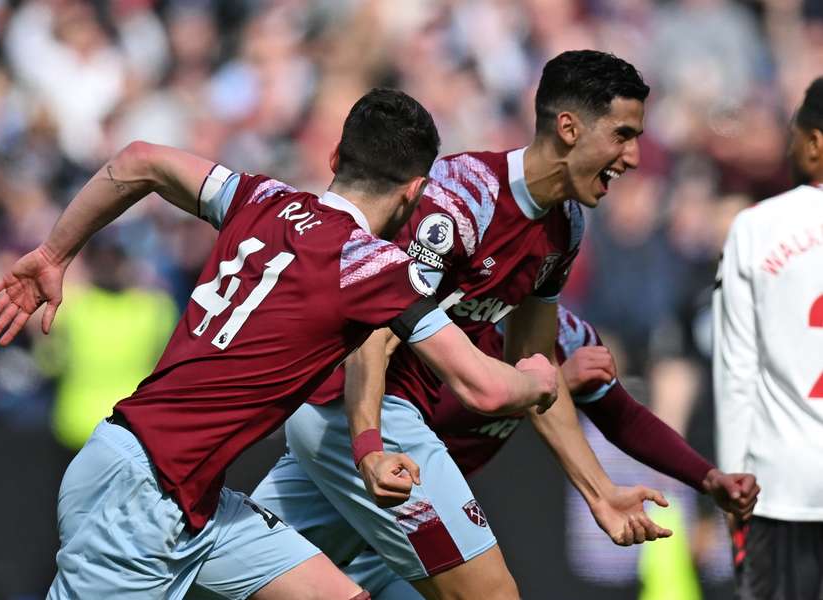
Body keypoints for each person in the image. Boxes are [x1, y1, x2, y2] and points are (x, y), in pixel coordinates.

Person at [0, 89, 559, 600]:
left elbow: (139, 160)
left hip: (187, 495)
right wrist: (539, 377)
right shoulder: (373, 266)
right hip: (141, 499)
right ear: (415, 191)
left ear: (334, 158)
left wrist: (54, 255)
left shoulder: (260, 198)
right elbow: (483, 385)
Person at [251, 50, 688, 600]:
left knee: (242, 584)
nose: (634, 156)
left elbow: (535, 366)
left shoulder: (565, 227)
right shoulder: (466, 198)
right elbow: (375, 329)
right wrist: (368, 443)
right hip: (369, 416)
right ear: (570, 128)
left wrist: (599, 491)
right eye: (623, 135)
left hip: (350, 425)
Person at [332, 305, 760, 598]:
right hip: (371, 483)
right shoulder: (467, 329)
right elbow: (428, 414)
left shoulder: (569, 335)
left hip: (413, 511)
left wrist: (707, 477)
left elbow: (627, 420)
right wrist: (543, 390)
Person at [714, 76, 823, 600]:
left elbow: (737, 371)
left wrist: (734, 486)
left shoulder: (757, 227)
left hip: (782, 486)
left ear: (815, 143)